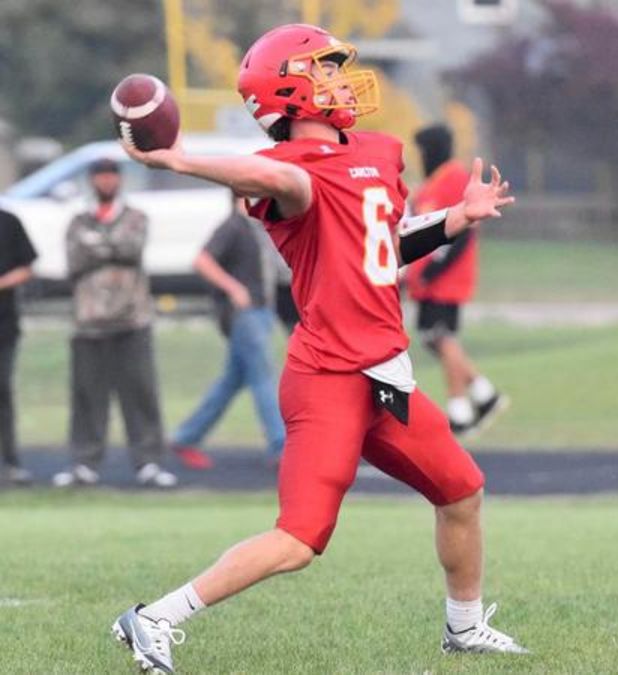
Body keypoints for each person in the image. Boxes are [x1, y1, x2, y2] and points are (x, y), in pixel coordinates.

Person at [110, 24, 526, 674]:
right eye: (323, 70)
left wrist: (453, 220)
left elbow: (383, 240)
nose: (339, 78)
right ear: (294, 92)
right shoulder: (292, 175)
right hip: (329, 378)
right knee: (301, 538)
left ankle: (465, 627)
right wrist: (183, 160)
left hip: (384, 375)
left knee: (463, 490)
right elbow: (269, 175)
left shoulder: (378, 152)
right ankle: (154, 617)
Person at [53, 158, 177, 489]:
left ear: (119, 180)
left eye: (111, 175)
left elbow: (131, 249)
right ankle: (84, 463)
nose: (106, 182)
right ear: (92, 181)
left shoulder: (136, 217)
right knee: (87, 397)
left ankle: (148, 462)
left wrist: (97, 245)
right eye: (100, 176)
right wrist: (108, 247)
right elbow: (74, 260)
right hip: (88, 321)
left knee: (140, 394)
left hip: (132, 320)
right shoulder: (77, 220)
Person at [171, 192, 286, 470]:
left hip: (261, 311)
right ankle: (281, 445)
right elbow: (202, 261)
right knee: (263, 377)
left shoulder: (255, 227)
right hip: (245, 314)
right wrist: (234, 288)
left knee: (232, 381)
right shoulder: (233, 226)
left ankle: (187, 436)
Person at [406, 124, 507, 436]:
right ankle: (483, 395)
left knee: (441, 336)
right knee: (433, 338)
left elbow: (464, 229)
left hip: (445, 278)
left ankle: (460, 410)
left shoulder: (453, 178)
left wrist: (435, 268)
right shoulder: (430, 185)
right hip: (425, 280)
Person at [0, 207, 37, 485]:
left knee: (2, 392)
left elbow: (26, 269)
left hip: (4, 324)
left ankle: (9, 461)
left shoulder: (8, 222)